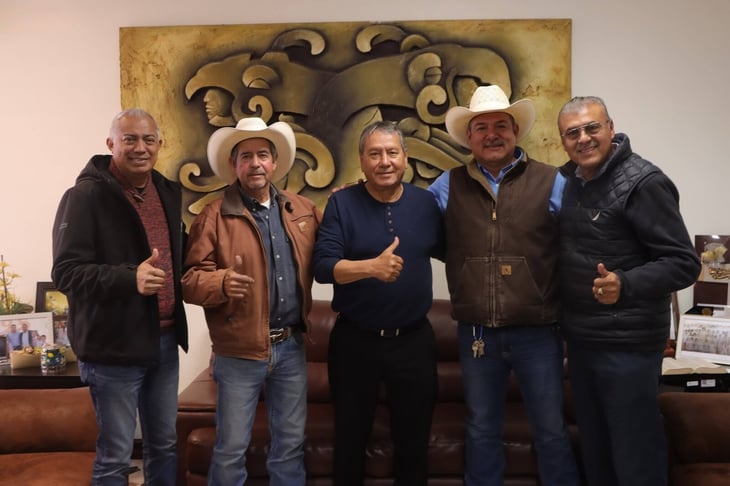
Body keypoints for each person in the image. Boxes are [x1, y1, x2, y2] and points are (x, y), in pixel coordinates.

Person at [428, 85, 580, 486]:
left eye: (501, 126)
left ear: (515, 132)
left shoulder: (553, 181)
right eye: (481, 127)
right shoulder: (447, 184)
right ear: (469, 136)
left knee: (550, 429)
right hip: (477, 333)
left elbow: (579, 242)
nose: (491, 134)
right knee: (481, 427)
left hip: (539, 332)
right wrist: (356, 199)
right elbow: (413, 223)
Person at [556, 96, 701, 486]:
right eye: (572, 133)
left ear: (610, 128)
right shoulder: (567, 183)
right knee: (597, 452)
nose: (583, 138)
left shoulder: (643, 182)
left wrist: (625, 283)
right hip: (582, 342)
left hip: (629, 348)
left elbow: (684, 263)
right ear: (562, 141)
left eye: (592, 128)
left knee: (635, 455)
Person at [52, 108, 189, 486]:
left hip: (164, 342)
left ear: (160, 144)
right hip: (112, 346)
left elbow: (182, 252)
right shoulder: (84, 197)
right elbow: (65, 272)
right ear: (111, 143)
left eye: (148, 139)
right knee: (116, 456)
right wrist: (130, 278)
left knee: (164, 445)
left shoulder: (166, 191)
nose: (140, 147)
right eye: (130, 139)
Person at [182, 117, 321, 486]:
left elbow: (333, 250)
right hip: (237, 352)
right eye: (246, 156)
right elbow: (190, 282)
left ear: (274, 162)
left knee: (290, 445)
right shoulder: (213, 216)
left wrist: (347, 202)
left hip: (291, 346)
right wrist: (221, 282)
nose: (255, 163)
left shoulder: (302, 210)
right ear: (234, 164)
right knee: (230, 448)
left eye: (262, 155)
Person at [313, 120, 445, 486]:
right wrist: (370, 267)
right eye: (374, 154)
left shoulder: (426, 204)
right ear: (361, 160)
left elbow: (457, 250)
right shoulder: (341, 203)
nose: (384, 161)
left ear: (405, 158)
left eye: (391, 153)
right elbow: (323, 268)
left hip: (413, 341)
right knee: (350, 439)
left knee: (414, 443)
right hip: (355, 342)